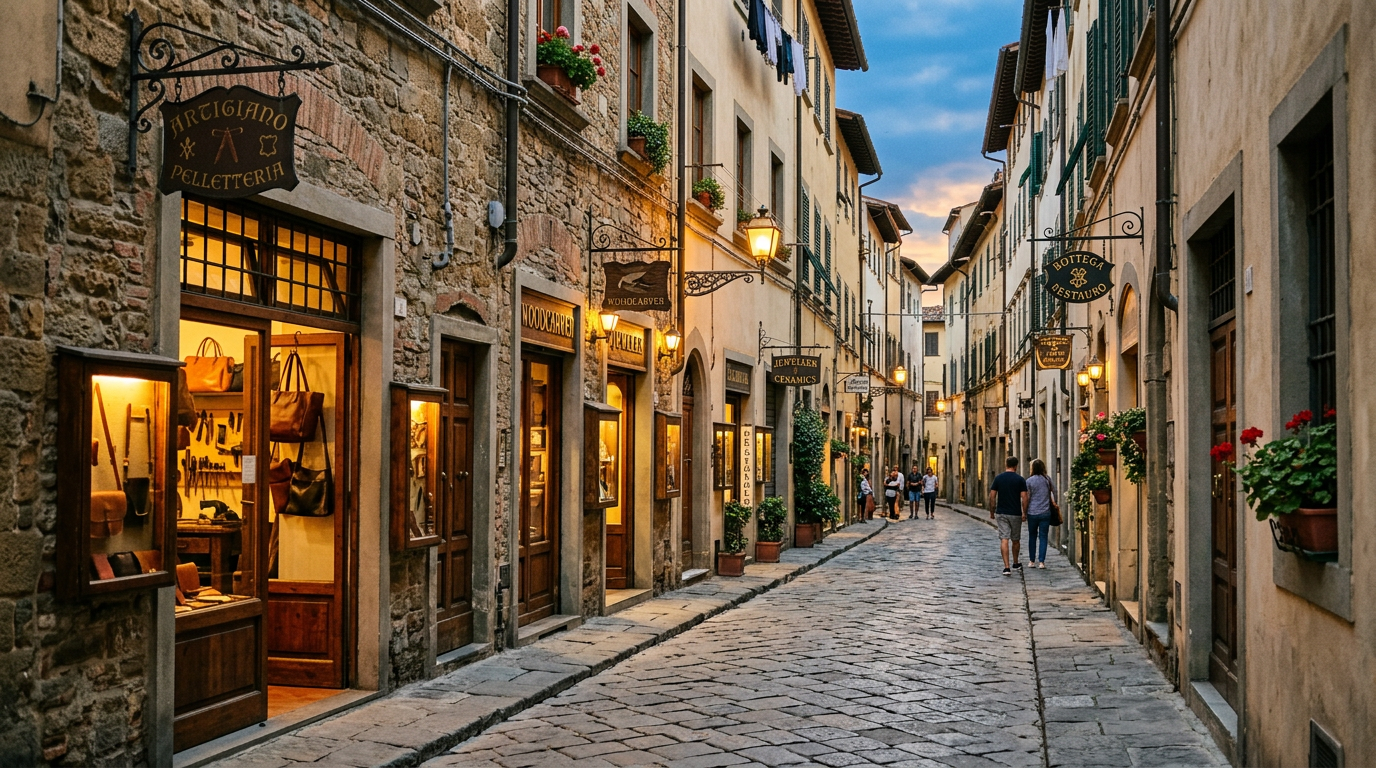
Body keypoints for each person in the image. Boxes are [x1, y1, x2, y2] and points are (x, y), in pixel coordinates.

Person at [989, 456, 1028, 576]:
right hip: (1015, 513)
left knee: (1004, 539)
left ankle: (1006, 567)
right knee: (1015, 540)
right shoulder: (1020, 480)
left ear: (1006, 465)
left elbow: (992, 496)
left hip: (1001, 513)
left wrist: (992, 511)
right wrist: (1024, 513)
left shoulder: (998, 478)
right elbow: (1025, 498)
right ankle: (1015, 562)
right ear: (1016, 466)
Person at [1024, 458, 1057, 568]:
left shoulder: (1029, 481)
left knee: (1032, 536)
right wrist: (1054, 503)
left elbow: (1027, 498)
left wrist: (1024, 511)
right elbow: (1054, 491)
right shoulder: (1047, 479)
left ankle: (1031, 561)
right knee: (1043, 537)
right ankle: (1041, 562)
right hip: (1045, 512)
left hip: (1032, 513)